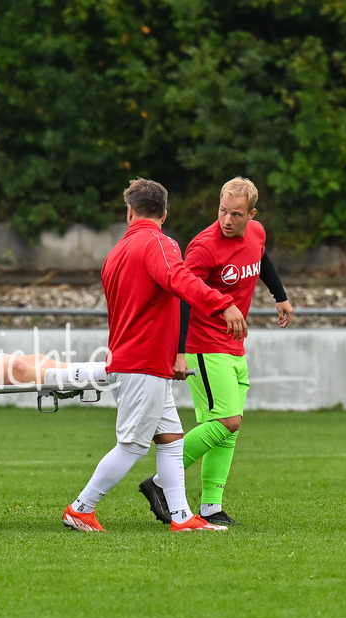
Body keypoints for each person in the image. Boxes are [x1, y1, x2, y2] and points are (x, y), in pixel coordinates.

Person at [62, 178, 248, 533]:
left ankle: (181, 517)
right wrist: (223, 303)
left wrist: (173, 355)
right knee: (132, 445)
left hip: (138, 359)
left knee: (171, 440)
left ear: (129, 211)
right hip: (143, 362)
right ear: (164, 213)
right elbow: (181, 280)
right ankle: (81, 508)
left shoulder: (117, 252)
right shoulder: (159, 243)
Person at [138, 177, 293, 526]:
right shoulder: (203, 246)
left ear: (251, 215)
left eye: (236, 214)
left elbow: (261, 257)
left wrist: (279, 295)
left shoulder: (256, 233)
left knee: (226, 428)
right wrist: (179, 352)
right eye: (222, 211)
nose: (226, 220)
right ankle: (161, 482)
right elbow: (182, 296)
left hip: (234, 346)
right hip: (204, 346)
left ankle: (210, 507)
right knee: (227, 420)